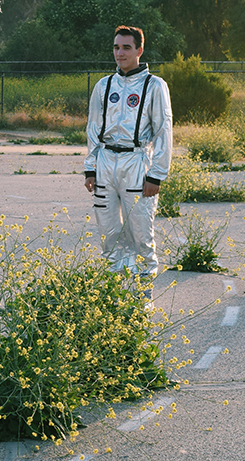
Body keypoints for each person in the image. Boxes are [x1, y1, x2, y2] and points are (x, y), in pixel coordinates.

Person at [84, 25, 173, 299]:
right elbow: (92, 127)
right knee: (109, 231)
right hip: (106, 162)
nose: (119, 53)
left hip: (136, 162)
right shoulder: (104, 85)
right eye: (116, 47)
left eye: (126, 47)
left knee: (140, 230)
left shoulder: (154, 85)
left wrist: (156, 173)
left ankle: (143, 297)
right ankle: (114, 295)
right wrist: (91, 166)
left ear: (139, 50)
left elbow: (163, 130)